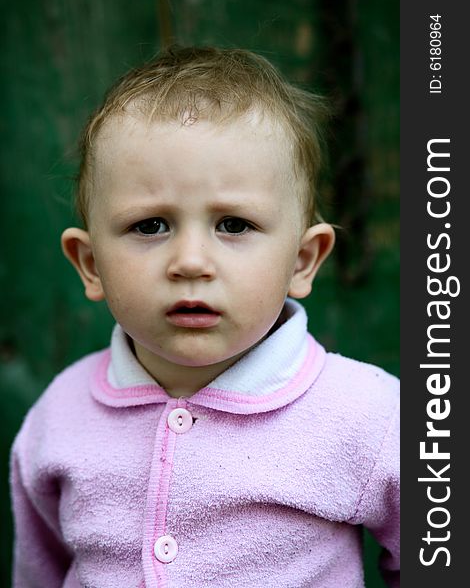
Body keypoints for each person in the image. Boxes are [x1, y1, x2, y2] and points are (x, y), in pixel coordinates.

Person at [10, 46, 399, 588]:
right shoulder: (60, 417)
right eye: (150, 227)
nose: (191, 261)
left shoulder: (368, 416)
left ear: (302, 261)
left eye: (234, 225)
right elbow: (39, 571)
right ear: (91, 264)